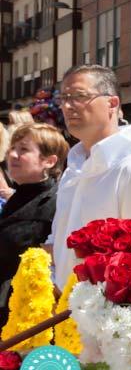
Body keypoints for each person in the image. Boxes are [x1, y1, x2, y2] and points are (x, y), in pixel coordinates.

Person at [48, 65, 131, 289]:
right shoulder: (74, 166)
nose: (67, 106)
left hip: (103, 307)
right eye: (64, 98)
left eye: (79, 96)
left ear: (112, 104)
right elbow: (60, 237)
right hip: (64, 303)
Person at [0, 123, 69, 328]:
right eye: (13, 148)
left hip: (27, 312)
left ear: (49, 161)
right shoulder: (19, 196)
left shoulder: (55, 202)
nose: (13, 155)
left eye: (23, 150)